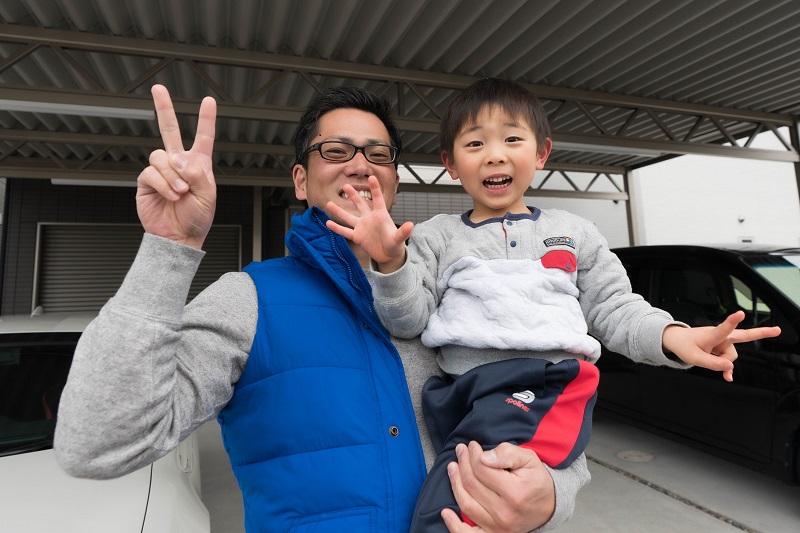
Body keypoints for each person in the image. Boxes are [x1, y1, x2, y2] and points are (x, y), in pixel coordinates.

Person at [53, 84, 594, 533]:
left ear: (394, 181)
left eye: (378, 154)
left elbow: (539, 414)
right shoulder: (249, 299)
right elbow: (98, 444)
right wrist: (169, 248)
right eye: (335, 151)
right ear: (300, 180)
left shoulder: (452, 294)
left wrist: (550, 494)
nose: (360, 165)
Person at [325, 78, 783, 530]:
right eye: (475, 143)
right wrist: (390, 263)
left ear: (541, 153)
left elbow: (615, 306)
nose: (495, 154)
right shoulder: (435, 236)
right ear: (450, 163)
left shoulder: (576, 231)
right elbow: (407, 320)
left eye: (511, 138)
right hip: (463, 391)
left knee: (450, 499)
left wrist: (673, 336)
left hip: (542, 384)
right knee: (460, 477)